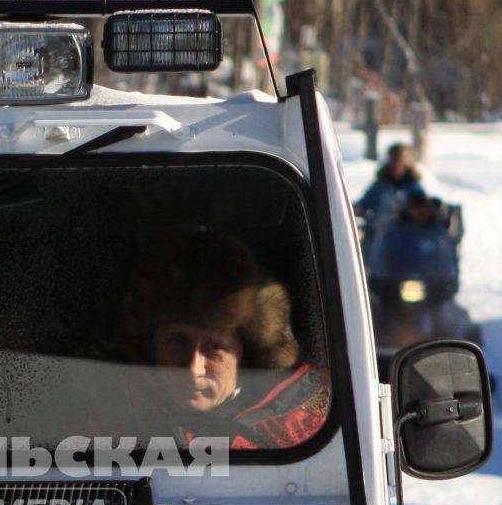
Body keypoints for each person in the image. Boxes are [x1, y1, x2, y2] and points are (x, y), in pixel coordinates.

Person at [126, 233, 330, 451]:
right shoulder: (108, 419)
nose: (193, 369)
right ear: (152, 346)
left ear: (246, 353)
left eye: (214, 347)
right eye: (177, 341)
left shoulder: (301, 434)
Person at [355, 143, 422, 241]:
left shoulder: (413, 188)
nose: (396, 168)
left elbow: (423, 212)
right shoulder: (380, 186)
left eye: (400, 165)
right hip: (379, 237)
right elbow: (363, 206)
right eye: (394, 164)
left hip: (407, 238)